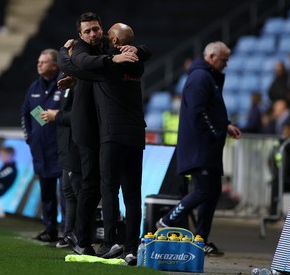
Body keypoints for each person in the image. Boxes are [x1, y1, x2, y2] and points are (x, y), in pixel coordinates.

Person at [58, 12, 150, 259]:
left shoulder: (107, 62)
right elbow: (74, 64)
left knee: (105, 189)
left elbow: (79, 65)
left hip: (110, 134)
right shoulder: (130, 63)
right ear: (80, 34)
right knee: (120, 191)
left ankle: (109, 242)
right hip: (112, 133)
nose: (96, 35)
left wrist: (68, 62)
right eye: (88, 31)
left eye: (100, 31)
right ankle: (121, 246)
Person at [156, 41, 242, 256]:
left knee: (212, 193)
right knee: (204, 190)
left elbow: (210, 110)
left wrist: (225, 125)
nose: (226, 65)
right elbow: (197, 112)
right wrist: (214, 132)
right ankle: (168, 220)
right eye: (223, 60)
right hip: (199, 147)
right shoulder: (200, 78)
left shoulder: (208, 77)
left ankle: (200, 240)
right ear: (212, 57)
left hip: (206, 147)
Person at [21, 49, 64, 243]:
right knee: (46, 192)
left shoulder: (64, 84)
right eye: (39, 61)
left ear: (54, 66)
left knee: (66, 194)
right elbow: (26, 114)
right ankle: (50, 229)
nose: (39, 65)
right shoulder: (34, 87)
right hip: (40, 150)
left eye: (43, 62)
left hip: (61, 150)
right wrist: (30, 137)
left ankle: (69, 231)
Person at [41, 71, 82, 248]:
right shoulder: (69, 84)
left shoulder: (80, 85)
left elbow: (79, 117)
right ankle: (68, 234)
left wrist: (56, 116)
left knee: (75, 193)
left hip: (76, 146)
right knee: (68, 192)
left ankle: (79, 235)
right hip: (66, 147)